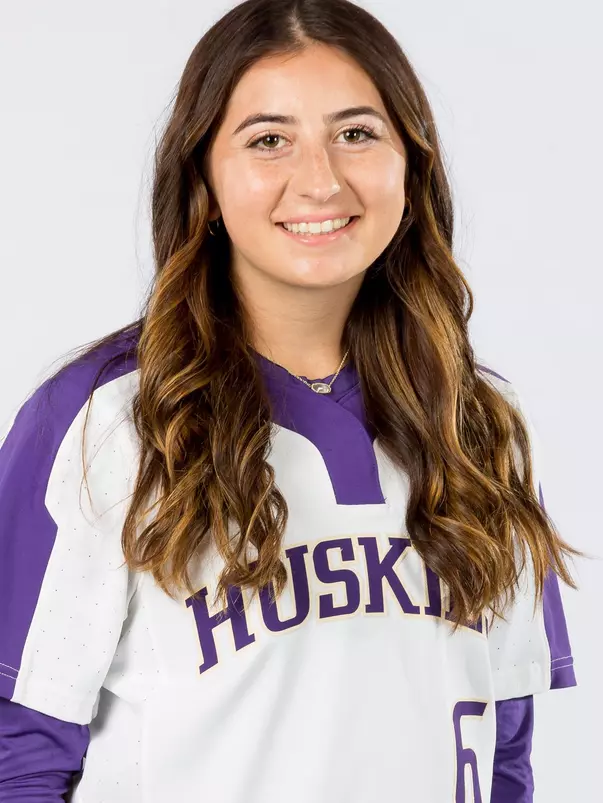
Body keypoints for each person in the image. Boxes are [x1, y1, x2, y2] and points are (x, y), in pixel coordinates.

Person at [0, 0, 579, 800]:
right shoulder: (107, 419)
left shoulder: (477, 425)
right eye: (268, 139)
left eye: (356, 133)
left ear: (409, 164)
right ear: (203, 173)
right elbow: (17, 750)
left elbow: (503, 749)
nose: (320, 180)